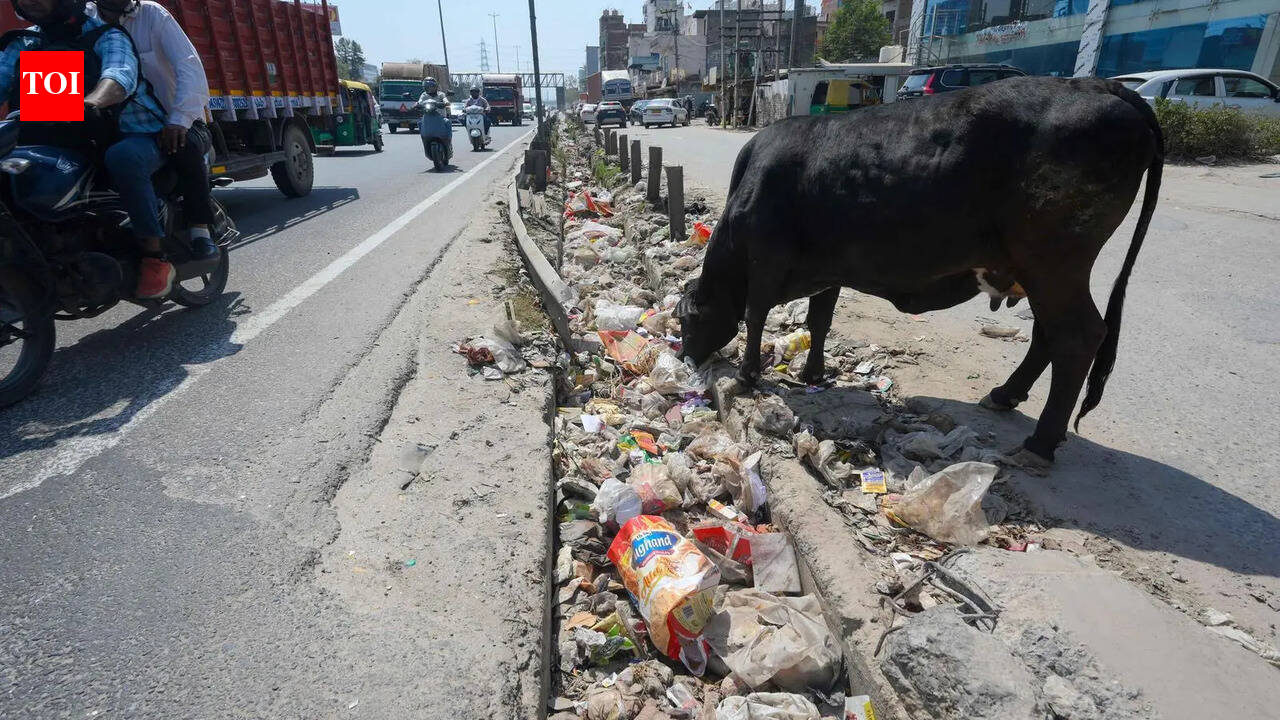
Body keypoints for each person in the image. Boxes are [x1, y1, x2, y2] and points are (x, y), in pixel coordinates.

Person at [0, 0, 174, 298]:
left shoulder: (104, 35)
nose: (29, 0)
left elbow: (118, 76)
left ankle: (153, 257)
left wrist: (92, 102)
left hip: (119, 134)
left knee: (123, 159)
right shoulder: (25, 42)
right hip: (53, 142)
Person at [89, 0, 217, 260]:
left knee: (180, 145)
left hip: (169, 123)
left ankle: (194, 233)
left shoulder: (148, 16)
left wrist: (179, 118)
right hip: (107, 129)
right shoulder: (72, 24)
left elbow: (189, 67)